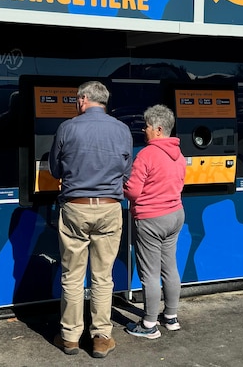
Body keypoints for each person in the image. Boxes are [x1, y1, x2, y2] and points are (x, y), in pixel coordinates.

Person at [49, 80, 133, 359]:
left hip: (76, 207)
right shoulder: (122, 130)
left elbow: (55, 167)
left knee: (72, 275)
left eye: (77, 99)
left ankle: (70, 337)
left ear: (84, 99)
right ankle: (100, 337)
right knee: (102, 276)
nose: (76, 103)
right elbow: (126, 171)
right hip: (109, 208)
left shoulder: (68, 127)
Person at [123, 104, 186, 339]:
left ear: (158, 129)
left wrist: (121, 184)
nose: (144, 130)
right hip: (175, 215)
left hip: (151, 219)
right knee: (169, 268)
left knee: (149, 273)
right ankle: (170, 317)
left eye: (147, 126)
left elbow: (134, 192)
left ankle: (149, 325)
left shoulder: (147, 154)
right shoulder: (179, 154)